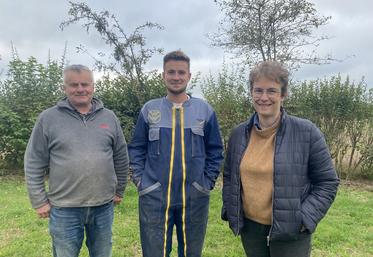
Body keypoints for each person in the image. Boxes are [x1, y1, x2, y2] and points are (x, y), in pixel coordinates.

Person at [221, 61, 339, 257]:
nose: (264, 97)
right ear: (251, 93)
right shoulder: (239, 134)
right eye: (258, 90)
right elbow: (230, 177)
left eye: (272, 91)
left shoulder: (306, 132)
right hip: (250, 230)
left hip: (291, 232)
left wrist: (304, 218)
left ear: (283, 95)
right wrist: (231, 210)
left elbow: (327, 182)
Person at [25, 64, 129, 257]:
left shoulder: (109, 117)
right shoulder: (48, 119)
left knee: (102, 253)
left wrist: (119, 190)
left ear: (93, 86)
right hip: (65, 208)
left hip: (103, 206)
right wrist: (39, 201)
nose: (80, 89)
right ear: (64, 88)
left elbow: (121, 156)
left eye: (85, 84)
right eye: (74, 85)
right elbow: (33, 161)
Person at [129, 50, 224, 257]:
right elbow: (136, 148)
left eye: (181, 72)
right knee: (154, 252)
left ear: (189, 76)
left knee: (191, 252)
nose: (176, 77)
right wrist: (140, 182)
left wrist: (206, 183)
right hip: (154, 195)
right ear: (163, 75)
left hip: (194, 196)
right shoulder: (149, 109)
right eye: (171, 72)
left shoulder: (204, 110)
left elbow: (216, 150)